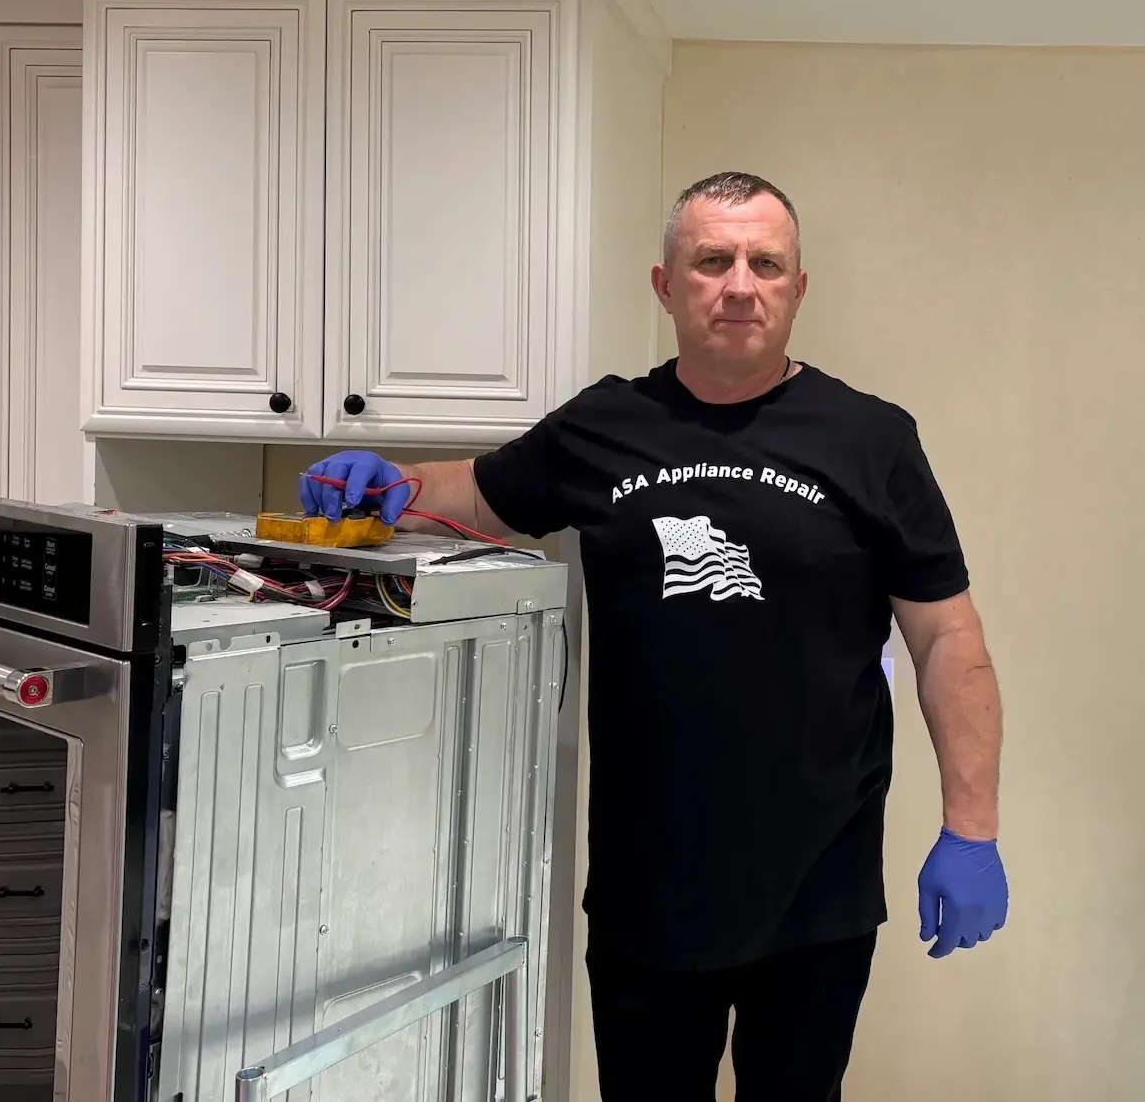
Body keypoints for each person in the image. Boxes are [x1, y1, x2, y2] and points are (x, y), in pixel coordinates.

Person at [298, 171, 1009, 1101]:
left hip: (816, 887)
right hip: (647, 886)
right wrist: (388, 482)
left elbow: (946, 638)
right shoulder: (605, 424)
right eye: (711, 261)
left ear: (799, 286)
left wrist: (972, 829)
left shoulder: (870, 437)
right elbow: (482, 491)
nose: (739, 284)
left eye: (766, 262)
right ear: (665, 285)